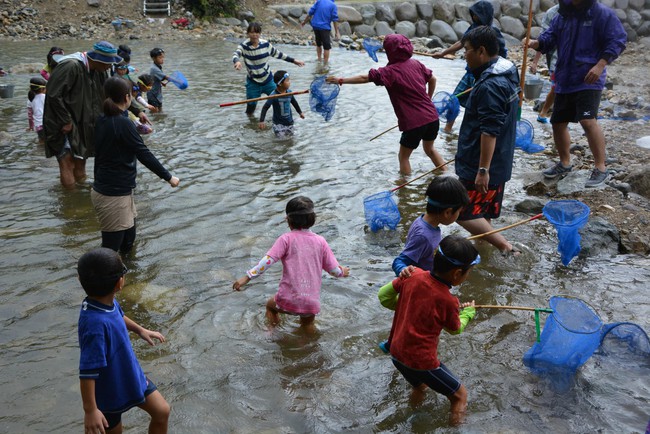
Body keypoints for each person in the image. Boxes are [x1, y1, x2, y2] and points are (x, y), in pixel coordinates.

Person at [380, 235, 478, 426]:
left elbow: (383, 296)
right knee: (460, 396)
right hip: (422, 362)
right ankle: (455, 429)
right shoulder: (448, 301)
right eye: (468, 272)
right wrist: (468, 313)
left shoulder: (411, 274)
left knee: (420, 386)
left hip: (396, 353)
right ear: (457, 274)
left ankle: (412, 417)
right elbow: (455, 329)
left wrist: (407, 305)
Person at [526, 0, 626, 188]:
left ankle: (601, 168)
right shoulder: (563, 14)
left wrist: (600, 65)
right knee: (557, 122)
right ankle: (564, 163)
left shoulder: (602, 13)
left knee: (588, 121)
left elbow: (618, 40)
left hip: (589, 77)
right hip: (565, 76)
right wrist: (535, 43)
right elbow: (549, 38)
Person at [77, 247, 170, 434]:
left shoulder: (104, 302)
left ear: (80, 280)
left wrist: (140, 330)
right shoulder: (95, 325)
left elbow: (118, 316)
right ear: (120, 283)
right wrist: (91, 411)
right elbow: (87, 371)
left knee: (162, 411)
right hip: (108, 389)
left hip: (130, 374)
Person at [326, 34, 444, 175]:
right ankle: (448, 175)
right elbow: (433, 79)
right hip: (432, 117)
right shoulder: (416, 64)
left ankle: (404, 190)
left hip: (414, 122)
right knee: (430, 149)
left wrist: (341, 80)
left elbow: (365, 78)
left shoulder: (389, 72)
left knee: (403, 157)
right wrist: (428, 99)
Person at [232, 196, 350, 332]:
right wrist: (343, 272)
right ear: (313, 218)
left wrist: (247, 277)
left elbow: (268, 261)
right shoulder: (321, 241)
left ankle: (272, 332)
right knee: (307, 327)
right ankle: (310, 346)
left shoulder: (286, 239)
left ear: (288, 220)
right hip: (311, 303)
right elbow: (334, 270)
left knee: (270, 306)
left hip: (287, 299)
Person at [91, 77, 180, 254]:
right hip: (112, 194)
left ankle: (128, 277)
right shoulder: (121, 122)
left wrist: (137, 115)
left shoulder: (105, 118)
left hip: (116, 189)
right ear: (127, 97)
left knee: (128, 241)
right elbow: (143, 154)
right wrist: (169, 177)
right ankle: (101, 278)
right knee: (110, 250)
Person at [454, 26, 520, 254]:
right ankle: (485, 255)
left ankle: (505, 247)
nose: (465, 55)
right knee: (482, 212)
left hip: (481, 163)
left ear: (481, 51)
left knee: (458, 211)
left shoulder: (491, 85)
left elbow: (489, 130)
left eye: (467, 50)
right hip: (499, 159)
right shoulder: (506, 70)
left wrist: (483, 169)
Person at [43, 41, 123, 188]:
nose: (109, 67)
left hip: (82, 123)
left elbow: (111, 94)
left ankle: (83, 198)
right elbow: (53, 95)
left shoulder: (99, 71)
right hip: (61, 123)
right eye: (108, 63)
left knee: (81, 159)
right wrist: (65, 120)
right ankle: (72, 205)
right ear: (98, 59)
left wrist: (135, 112)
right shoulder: (71, 66)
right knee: (66, 162)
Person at [431, 1, 508, 134]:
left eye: (477, 15)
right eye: (473, 14)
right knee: (454, 99)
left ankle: (475, 133)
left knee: (478, 106)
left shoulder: (492, 32)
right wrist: (443, 53)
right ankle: (448, 129)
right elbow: (461, 42)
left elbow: (501, 53)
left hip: (485, 76)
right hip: (470, 73)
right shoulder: (473, 27)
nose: (474, 17)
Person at [392, 176, 470, 277]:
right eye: (459, 211)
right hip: (423, 282)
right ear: (447, 212)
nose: (459, 214)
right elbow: (399, 261)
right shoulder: (423, 236)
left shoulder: (423, 220)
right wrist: (403, 270)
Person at [232, 22, 305, 116]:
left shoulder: (266, 45)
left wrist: (294, 61)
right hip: (253, 82)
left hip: (268, 80)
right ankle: (251, 123)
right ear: (248, 33)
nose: (254, 35)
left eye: (257, 32)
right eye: (252, 32)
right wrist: (237, 61)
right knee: (251, 107)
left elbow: (279, 54)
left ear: (260, 33)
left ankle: (281, 118)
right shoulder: (244, 46)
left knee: (279, 99)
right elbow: (236, 54)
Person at [529, 4, 559, 124]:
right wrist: (535, 62)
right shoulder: (553, 13)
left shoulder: (588, 11)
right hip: (555, 59)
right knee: (556, 87)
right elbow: (544, 40)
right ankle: (545, 112)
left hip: (576, 63)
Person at [259, 70, 305, 139]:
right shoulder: (273, 95)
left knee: (291, 140)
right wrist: (261, 121)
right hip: (278, 124)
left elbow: (294, 102)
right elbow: (265, 107)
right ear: (280, 84)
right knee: (281, 140)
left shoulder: (289, 93)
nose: (289, 83)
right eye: (287, 81)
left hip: (289, 122)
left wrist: (300, 112)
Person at [26, 77, 47, 144]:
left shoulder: (30, 100)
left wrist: (31, 126)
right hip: (48, 124)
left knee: (41, 141)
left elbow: (30, 116)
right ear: (42, 89)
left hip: (39, 126)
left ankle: (38, 152)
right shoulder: (46, 97)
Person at [147, 47, 168, 112]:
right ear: (153, 58)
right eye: (160, 57)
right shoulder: (154, 68)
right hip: (153, 94)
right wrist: (178, 81)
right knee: (155, 112)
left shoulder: (157, 66)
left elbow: (155, 77)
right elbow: (166, 77)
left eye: (163, 57)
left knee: (160, 112)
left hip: (157, 94)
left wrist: (161, 83)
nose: (162, 59)